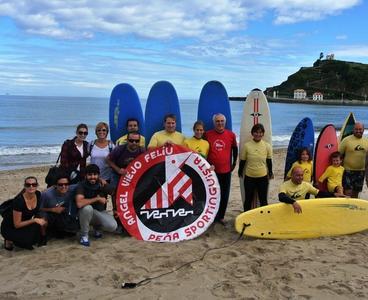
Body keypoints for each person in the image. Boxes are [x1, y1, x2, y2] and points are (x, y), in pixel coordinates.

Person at [205, 113, 238, 225]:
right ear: (214, 123)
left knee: (224, 194)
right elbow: (203, 150)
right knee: (212, 195)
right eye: (217, 121)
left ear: (225, 122)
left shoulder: (231, 135)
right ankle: (212, 217)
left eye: (221, 121)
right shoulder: (207, 135)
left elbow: (235, 149)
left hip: (226, 171)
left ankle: (221, 216)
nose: (220, 123)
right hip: (212, 172)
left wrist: (234, 163)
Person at [75, 164, 117, 246]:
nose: (92, 177)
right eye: (90, 175)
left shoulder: (102, 184)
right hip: (84, 214)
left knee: (112, 226)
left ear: (98, 175)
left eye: (95, 174)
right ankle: (84, 236)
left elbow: (115, 193)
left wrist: (116, 209)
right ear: (86, 176)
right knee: (87, 208)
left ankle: (97, 228)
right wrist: (97, 199)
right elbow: (79, 203)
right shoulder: (81, 185)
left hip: (100, 212)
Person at [1, 177, 47, 250]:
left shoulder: (38, 194)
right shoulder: (19, 201)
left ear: (37, 185)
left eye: (34, 184)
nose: (31, 186)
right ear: (25, 186)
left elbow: (38, 211)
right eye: (28, 185)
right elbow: (17, 225)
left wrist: (41, 220)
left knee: (36, 235)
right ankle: (9, 240)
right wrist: (34, 220)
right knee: (27, 242)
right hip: (10, 228)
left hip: (24, 224)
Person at [279, 166, 345, 214]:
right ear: (292, 175)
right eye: (298, 175)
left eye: (302, 175)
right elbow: (281, 197)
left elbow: (319, 193)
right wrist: (293, 202)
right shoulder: (285, 185)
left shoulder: (306, 185)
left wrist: (334, 194)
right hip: (287, 212)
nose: (301, 178)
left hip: (300, 210)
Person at [238, 123, 273, 211]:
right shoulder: (247, 146)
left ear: (263, 134)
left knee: (263, 200)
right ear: (252, 133)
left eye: (260, 132)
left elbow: (269, 160)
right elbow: (243, 160)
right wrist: (240, 171)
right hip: (249, 177)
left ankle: (264, 218)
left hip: (263, 177)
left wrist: (271, 172)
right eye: (256, 132)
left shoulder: (267, 146)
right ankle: (246, 217)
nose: (258, 134)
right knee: (248, 200)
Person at [41, 173, 79, 238]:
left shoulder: (71, 189)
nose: (64, 187)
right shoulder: (46, 194)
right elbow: (38, 209)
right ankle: (43, 236)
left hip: (64, 215)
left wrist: (100, 180)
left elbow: (84, 184)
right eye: (60, 185)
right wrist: (52, 209)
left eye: (66, 184)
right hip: (50, 215)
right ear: (55, 185)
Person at [339, 122, 368, 198]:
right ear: (353, 130)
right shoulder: (346, 140)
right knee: (347, 192)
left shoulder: (366, 141)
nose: (358, 131)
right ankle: (345, 208)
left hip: (361, 171)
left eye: (360, 129)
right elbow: (339, 155)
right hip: (347, 171)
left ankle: (353, 209)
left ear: (363, 130)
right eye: (356, 129)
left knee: (356, 193)